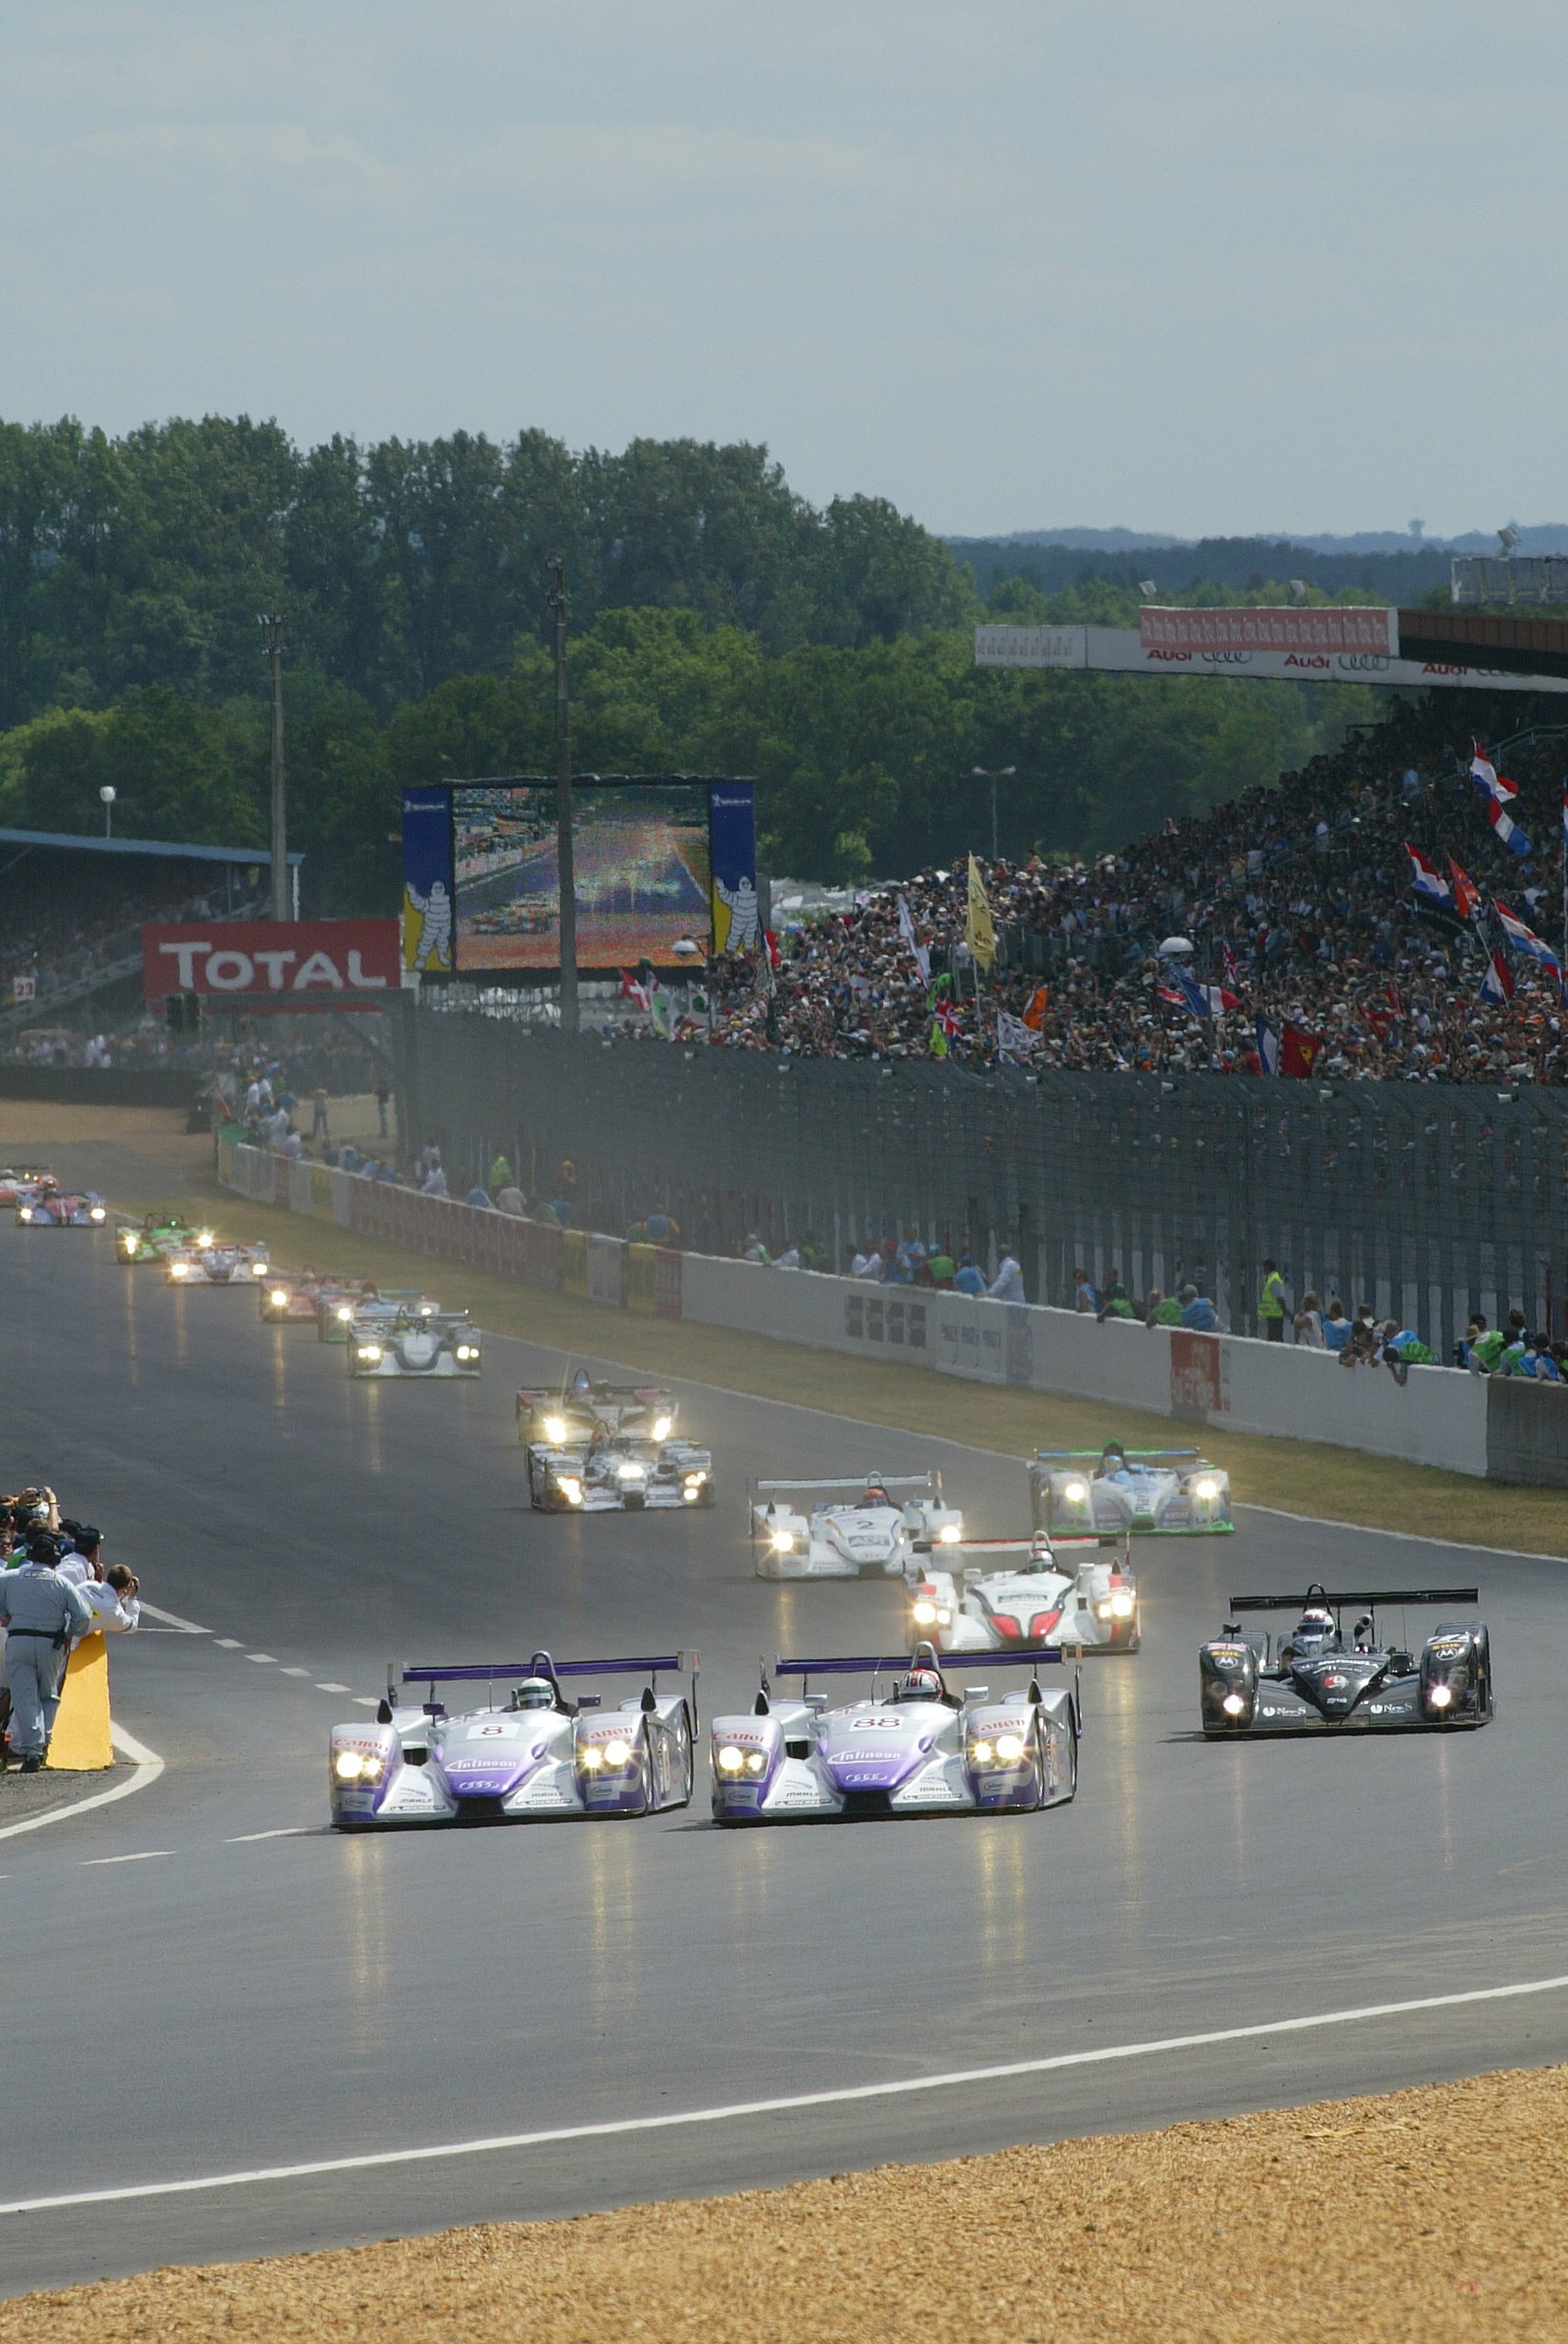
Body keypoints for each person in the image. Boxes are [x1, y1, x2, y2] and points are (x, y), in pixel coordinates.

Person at [0, 1533, 92, 1769]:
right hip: (51, 1643)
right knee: (48, 1695)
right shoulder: (61, 1582)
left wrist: (5, 1617)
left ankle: (32, 1750)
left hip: (19, 1640)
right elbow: (83, 1617)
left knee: (24, 1697)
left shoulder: (9, 1578)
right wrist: (68, 1632)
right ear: (53, 1559)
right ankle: (43, 1743)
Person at [1258, 1259, 1288, 1342]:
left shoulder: (1274, 1280)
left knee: (1276, 1339)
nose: (1263, 1270)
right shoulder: (1270, 1279)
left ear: (1268, 1268)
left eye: (1264, 1267)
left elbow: (1279, 1298)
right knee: (1272, 1338)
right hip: (1271, 1316)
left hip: (1276, 1316)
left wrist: (1285, 1312)